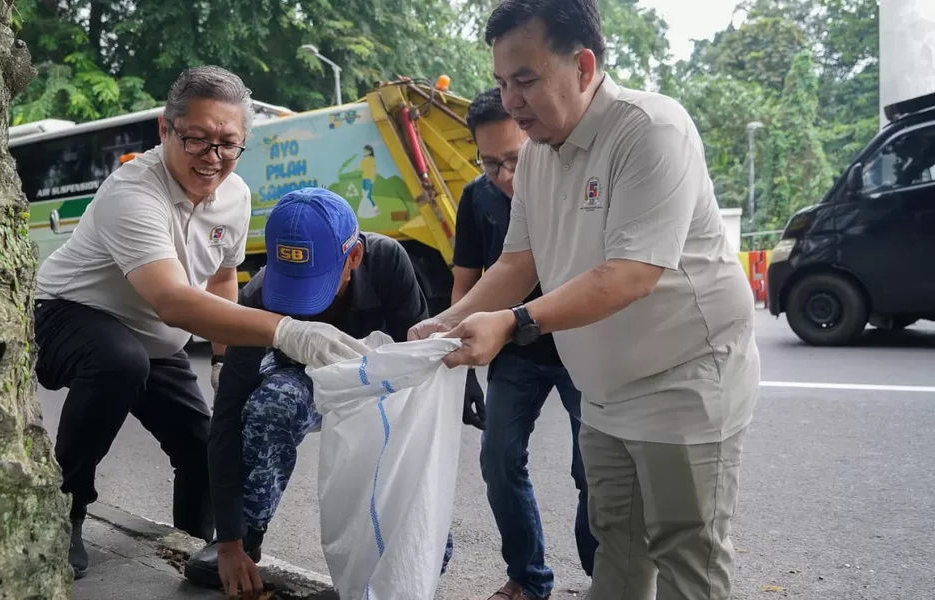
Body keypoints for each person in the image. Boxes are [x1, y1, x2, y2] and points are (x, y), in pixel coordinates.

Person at [409, 1, 761, 599]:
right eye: (501, 82)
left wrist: (514, 324)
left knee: (686, 556)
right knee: (615, 547)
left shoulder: (649, 130)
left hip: (685, 381)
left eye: (526, 79)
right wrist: (442, 323)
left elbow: (630, 274)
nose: (512, 101)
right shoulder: (538, 154)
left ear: (583, 65)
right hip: (603, 393)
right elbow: (518, 263)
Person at [33, 66, 370, 580]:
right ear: (165, 130)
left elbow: (221, 281)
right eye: (198, 139)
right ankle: (65, 511)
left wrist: (221, 357)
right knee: (118, 362)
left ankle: (197, 548)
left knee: (202, 441)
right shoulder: (133, 193)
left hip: (152, 335)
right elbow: (171, 299)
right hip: (69, 314)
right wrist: (288, 330)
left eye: (228, 145)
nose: (213, 158)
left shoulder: (235, 197)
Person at [181, 187, 450, 599]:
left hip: (377, 382)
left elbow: (414, 371)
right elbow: (227, 415)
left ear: (353, 257)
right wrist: (230, 540)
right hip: (302, 378)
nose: (304, 305)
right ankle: (248, 537)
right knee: (270, 405)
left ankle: (392, 558)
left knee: (421, 515)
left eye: (317, 284)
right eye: (292, 287)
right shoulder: (256, 296)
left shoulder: (388, 262)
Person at [454, 87, 597, 600]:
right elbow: (471, 281)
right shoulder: (477, 199)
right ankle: (527, 577)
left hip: (582, 347)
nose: (505, 177)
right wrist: (462, 362)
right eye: (491, 164)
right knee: (498, 459)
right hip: (515, 353)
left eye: (514, 160)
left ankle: (603, 570)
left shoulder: (572, 183)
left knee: (594, 467)